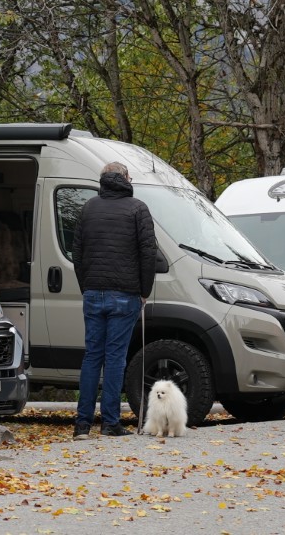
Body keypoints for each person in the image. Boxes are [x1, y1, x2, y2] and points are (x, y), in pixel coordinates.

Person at [70, 160, 158, 439]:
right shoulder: (138, 208)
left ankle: (82, 424)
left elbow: (77, 253)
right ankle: (110, 423)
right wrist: (145, 290)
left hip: (93, 292)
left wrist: (86, 286)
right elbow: (148, 253)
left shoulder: (88, 208)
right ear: (125, 179)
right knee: (115, 357)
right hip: (125, 293)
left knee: (92, 357)